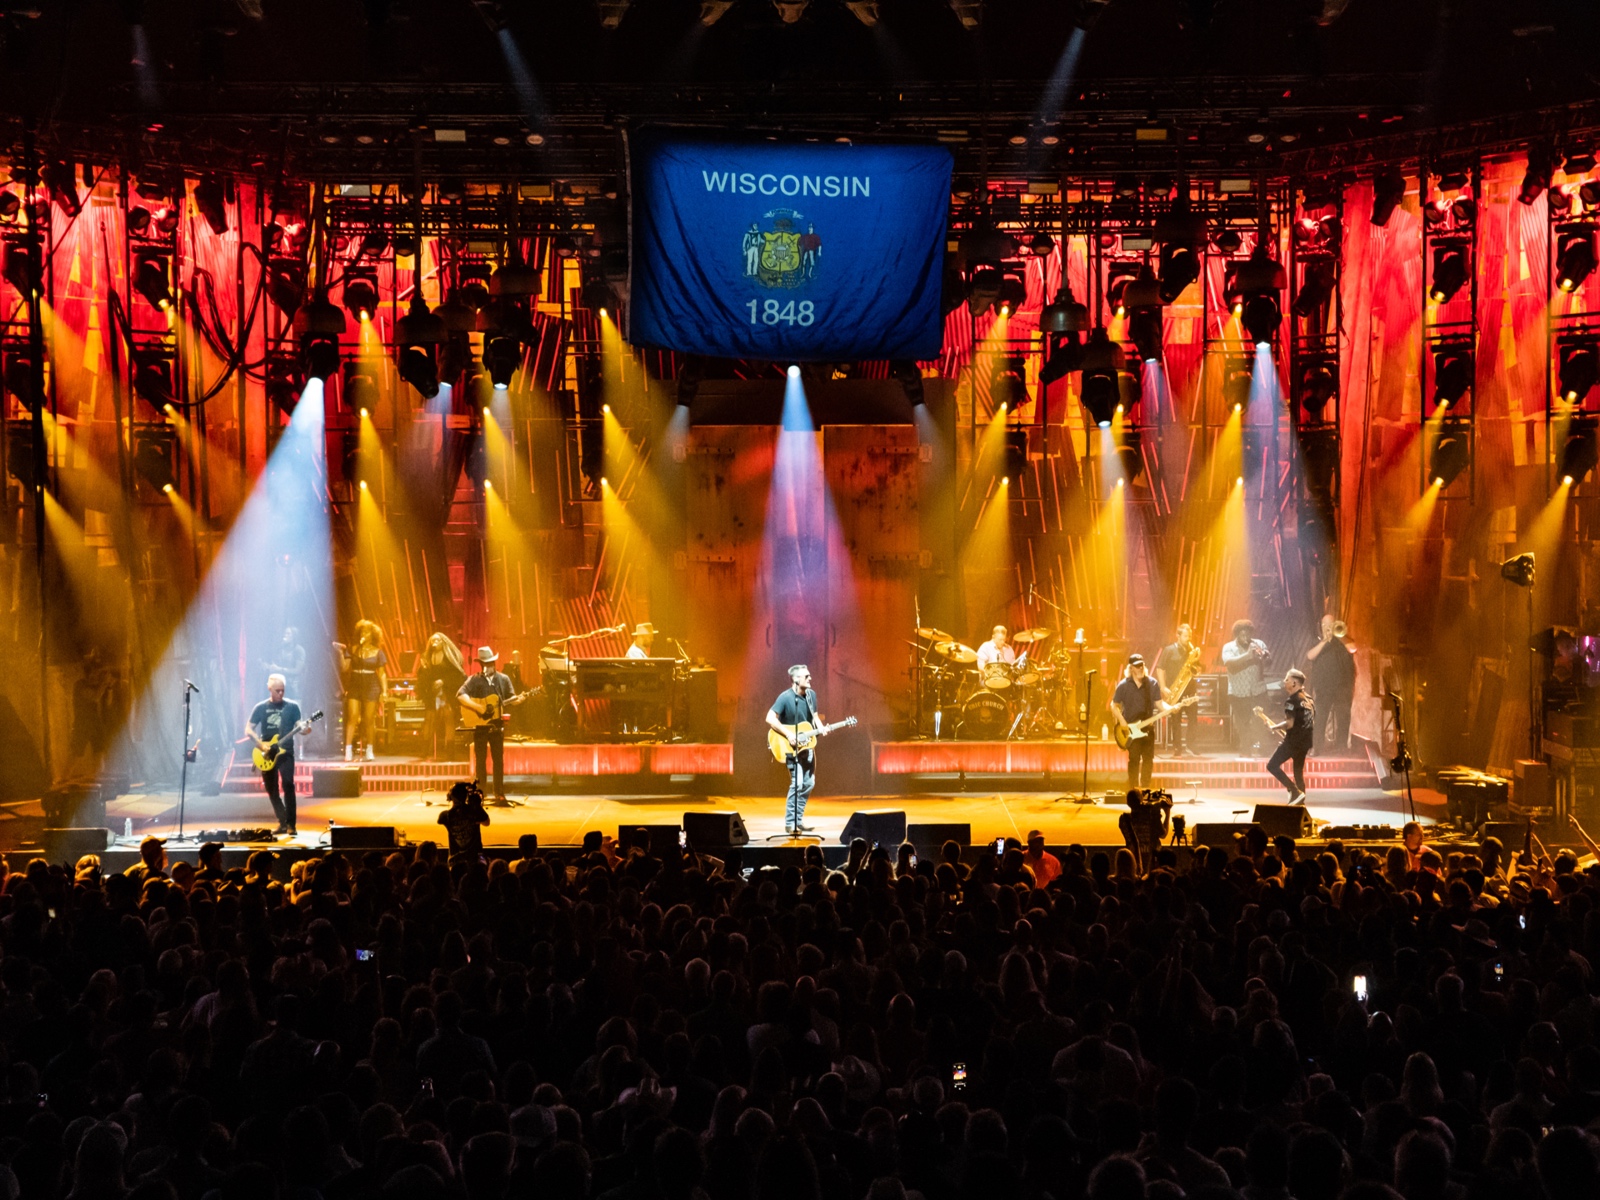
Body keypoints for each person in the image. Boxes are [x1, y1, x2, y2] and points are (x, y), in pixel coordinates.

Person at [765, 664, 826, 835]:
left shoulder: (811, 695)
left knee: (809, 783)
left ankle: (798, 821)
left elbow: (814, 717)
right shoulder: (785, 698)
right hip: (790, 747)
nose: (810, 678)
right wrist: (788, 735)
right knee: (797, 783)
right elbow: (769, 718)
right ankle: (789, 823)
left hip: (807, 746)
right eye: (806, 676)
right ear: (796, 679)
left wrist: (821, 727)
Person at [247, 672, 308, 836]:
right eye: (277, 691)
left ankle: (291, 825)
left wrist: (305, 729)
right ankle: (282, 821)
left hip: (286, 751)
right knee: (271, 789)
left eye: (283, 690)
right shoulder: (260, 708)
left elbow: (300, 726)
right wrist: (261, 746)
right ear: (269, 689)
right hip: (267, 753)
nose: (281, 694)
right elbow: (248, 730)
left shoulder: (292, 707)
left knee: (288, 784)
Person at [457, 646, 519, 804]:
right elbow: (460, 695)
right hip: (480, 726)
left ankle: (499, 793)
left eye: (490, 663)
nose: (488, 666)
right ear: (480, 664)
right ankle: (480, 793)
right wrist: (478, 707)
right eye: (485, 664)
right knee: (480, 760)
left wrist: (519, 699)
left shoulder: (503, 679)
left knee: (498, 760)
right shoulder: (474, 679)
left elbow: (513, 698)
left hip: (497, 726)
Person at [1111, 653, 1166, 790]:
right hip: (1131, 730)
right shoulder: (1124, 685)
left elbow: (1160, 704)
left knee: (1148, 760)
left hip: (1148, 729)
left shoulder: (1152, 683)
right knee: (1134, 760)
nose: (1140, 668)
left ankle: (1146, 788)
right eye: (1137, 666)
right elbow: (1114, 705)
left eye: (1142, 665)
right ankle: (1134, 789)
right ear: (1131, 668)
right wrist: (1122, 721)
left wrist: (1173, 708)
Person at [335, 620, 386, 762]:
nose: (364, 634)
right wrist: (340, 653)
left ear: (373, 635)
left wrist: (385, 691)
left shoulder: (378, 652)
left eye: (367, 632)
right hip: (355, 683)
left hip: (372, 684)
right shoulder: (353, 649)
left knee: (368, 720)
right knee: (352, 716)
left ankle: (369, 749)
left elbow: (382, 673)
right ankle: (348, 749)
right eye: (362, 632)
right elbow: (345, 668)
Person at [1305, 614, 1356, 751]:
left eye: (1331, 625)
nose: (1328, 628)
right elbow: (1310, 656)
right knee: (1320, 718)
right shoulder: (1317, 641)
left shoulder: (1343, 640)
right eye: (1325, 625)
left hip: (1343, 687)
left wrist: (1340, 636)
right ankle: (1317, 747)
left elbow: (1353, 649)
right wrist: (1324, 641)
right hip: (1323, 687)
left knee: (1343, 717)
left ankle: (1341, 747)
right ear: (1321, 627)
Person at [1264, 668, 1315, 804]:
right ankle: (1300, 804)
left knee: (1272, 765)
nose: (1284, 682)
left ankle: (1294, 790)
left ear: (1294, 683)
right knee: (1298, 774)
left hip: (1293, 742)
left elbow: (1290, 723)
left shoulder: (1292, 701)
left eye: (1286, 679)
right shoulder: (1309, 699)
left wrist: (1274, 727)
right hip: (1305, 742)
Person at [1221, 618, 1270, 754]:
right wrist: (1248, 656)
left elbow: (1269, 661)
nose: (1245, 637)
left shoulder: (1258, 643)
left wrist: (1264, 655)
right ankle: (1245, 750)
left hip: (1257, 691)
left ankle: (1263, 749)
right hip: (1238, 692)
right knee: (1242, 724)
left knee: (1260, 721)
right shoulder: (1229, 647)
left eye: (1248, 634)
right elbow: (1229, 663)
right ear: (1237, 634)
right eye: (1242, 635)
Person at [416, 633, 466, 760]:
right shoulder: (427, 657)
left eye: (437, 640)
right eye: (432, 640)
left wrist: (443, 681)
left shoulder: (449, 657)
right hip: (432, 693)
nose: (435, 642)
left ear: (443, 641)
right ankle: (424, 750)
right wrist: (424, 669)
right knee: (429, 720)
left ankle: (450, 751)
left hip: (446, 692)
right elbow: (422, 677)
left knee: (448, 719)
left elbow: (458, 675)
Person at [1154, 622, 1200, 756]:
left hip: (1190, 689)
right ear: (1178, 636)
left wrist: (1197, 669)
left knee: (1193, 718)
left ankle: (1191, 744)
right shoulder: (1169, 650)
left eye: (1190, 636)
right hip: (1175, 690)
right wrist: (1163, 686)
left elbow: (1197, 669)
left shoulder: (1191, 651)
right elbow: (1160, 668)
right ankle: (1177, 748)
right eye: (1186, 636)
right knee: (1176, 720)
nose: (1188, 638)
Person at [1117, 789, 1170, 873]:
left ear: (1127, 803)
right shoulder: (1151, 816)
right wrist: (1167, 813)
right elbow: (1163, 834)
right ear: (1141, 801)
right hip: (1152, 858)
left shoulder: (1123, 819)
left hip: (1133, 859)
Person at [437, 781, 490, 859]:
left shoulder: (445, 816)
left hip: (455, 859)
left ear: (451, 797)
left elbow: (440, 820)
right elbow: (487, 822)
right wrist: (477, 806)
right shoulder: (475, 812)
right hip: (475, 858)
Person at [262, 626, 307, 701]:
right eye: (285, 633)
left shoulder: (299, 650)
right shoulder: (281, 649)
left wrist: (279, 669)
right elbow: (277, 666)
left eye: (288, 633)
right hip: (280, 687)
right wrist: (268, 667)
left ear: (294, 636)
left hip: (293, 688)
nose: (285, 635)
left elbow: (297, 670)